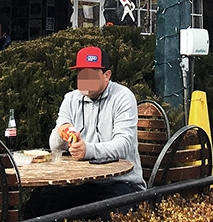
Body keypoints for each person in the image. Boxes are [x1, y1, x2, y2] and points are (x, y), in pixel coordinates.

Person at [23, 46, 144, 217]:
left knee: (106, 211)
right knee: (42, 200)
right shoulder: (70, 99)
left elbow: (123, 146)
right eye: (81, 74)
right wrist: (61, 133)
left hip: (120, 182)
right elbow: (54, 146)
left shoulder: (123, 97)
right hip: (81, 182)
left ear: (107, 75)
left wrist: (87, 150)